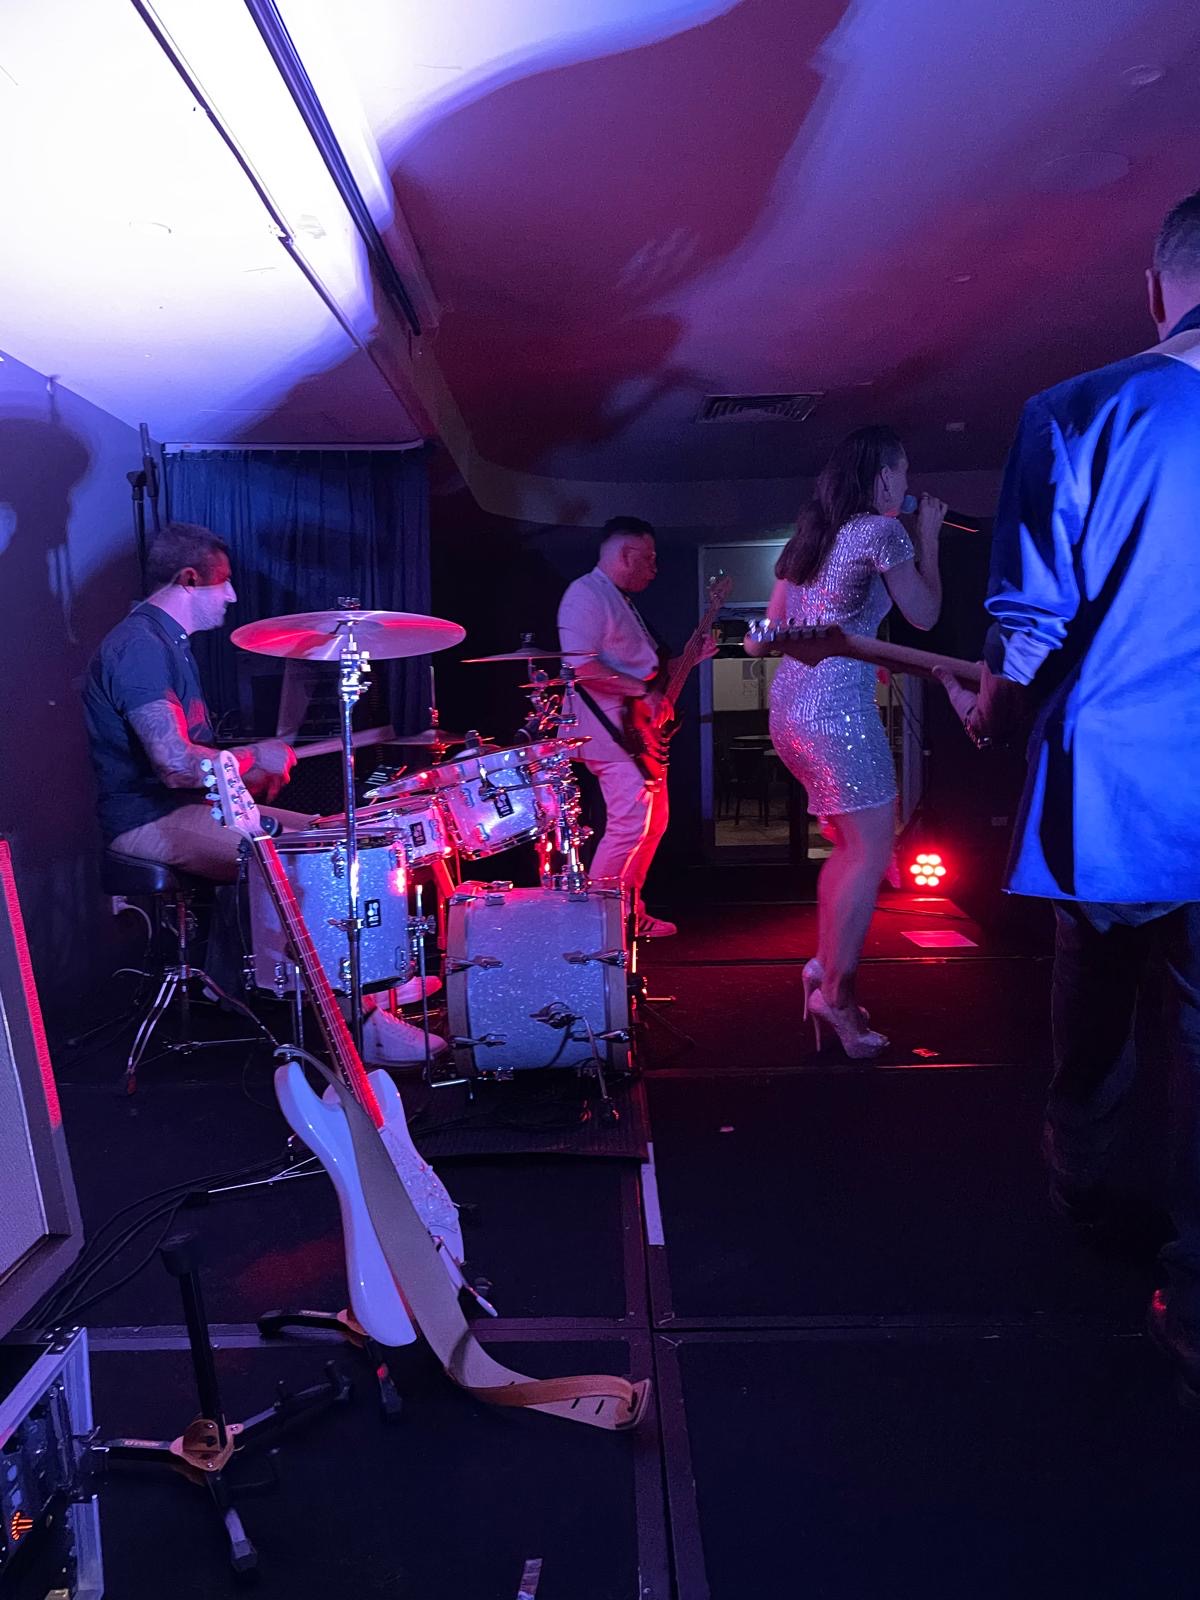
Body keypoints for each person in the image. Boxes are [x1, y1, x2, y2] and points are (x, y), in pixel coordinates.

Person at [935, 189, 1200, 1403]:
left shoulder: (1082, 410)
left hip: (1119, 799)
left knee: (1094, 1004)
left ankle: (1085, 1186)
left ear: (1156, 290)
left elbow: (1029, 620)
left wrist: (995, 703)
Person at [745, 427, 945, 1057]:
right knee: (871, 851)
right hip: (837, 713)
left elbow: (769, 629)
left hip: (789, 710)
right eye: (903, 471)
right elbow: (925, 614)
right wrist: (928, 536)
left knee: (852, 848)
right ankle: (838, 996)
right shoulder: (881, 531)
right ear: (883, 476)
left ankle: (824, 970)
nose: (908, 484)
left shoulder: (811, 535)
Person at [83, 523, 305, 881]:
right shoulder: (140, 647)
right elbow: (174, 765)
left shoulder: (169, 642)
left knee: (321, 833)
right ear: (190, 579)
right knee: (303, 860)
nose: (232, 596)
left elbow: (194, 765)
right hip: (149, 820)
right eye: (224, 581)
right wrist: (255, 756)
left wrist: (246, 773)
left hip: (191, 808)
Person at [557, 516, 715, 937]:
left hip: (634, 733)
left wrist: (689, 659)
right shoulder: (585, 594)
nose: (654, 569)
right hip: (611, 733)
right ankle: (592, 926)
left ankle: (629, 912)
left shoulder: (617, 599)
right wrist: (643, 692)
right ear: (626, 554)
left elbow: (644, 673)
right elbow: (580, 667)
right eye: (649, 558)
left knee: (653, 822)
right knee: (629, 826)